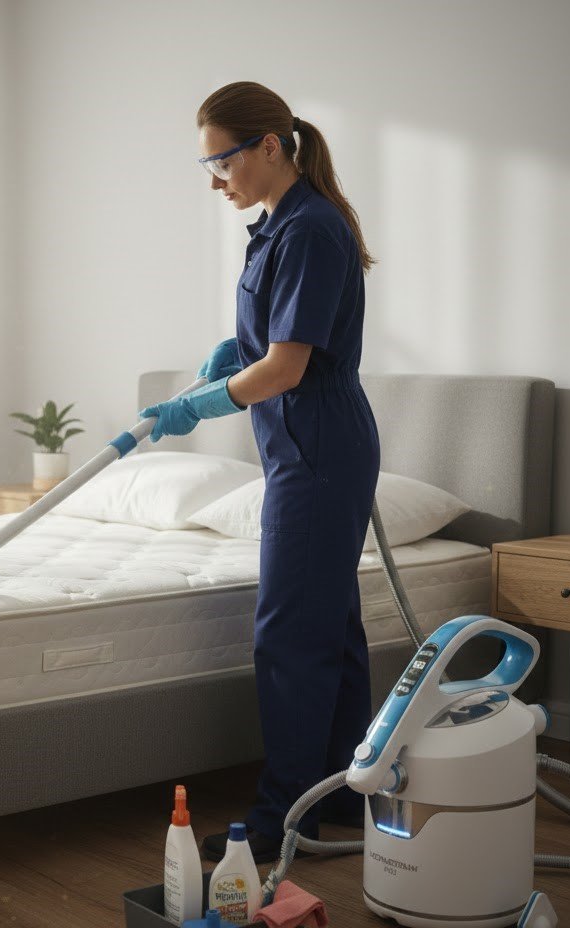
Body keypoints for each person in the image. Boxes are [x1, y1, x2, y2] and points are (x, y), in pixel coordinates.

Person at [138, 81, 381, 864]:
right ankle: (345, 797)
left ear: (269, 146)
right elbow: (266, 344)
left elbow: (284, 368)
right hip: (305, 447)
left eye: (223, 160)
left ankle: (283, 819)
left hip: (317, 449)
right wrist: (227, 357)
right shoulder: (279, 224)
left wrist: (202, 405)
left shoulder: (309, 229)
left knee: (288, 636)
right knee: (332, 631)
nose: (217, 179)